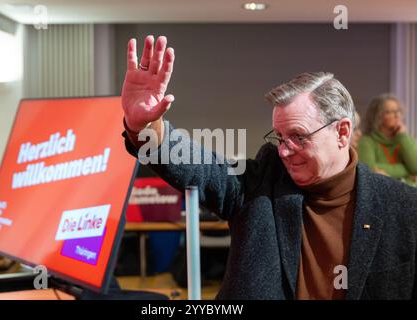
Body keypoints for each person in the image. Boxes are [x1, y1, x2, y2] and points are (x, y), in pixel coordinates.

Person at [121, 35, 417, 299]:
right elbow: (205, 168)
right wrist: (146, 127)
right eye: (280, 137)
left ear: (342, 132)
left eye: (299, 137)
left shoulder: (402, 207)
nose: (285, 150)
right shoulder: (262, 181)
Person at [358, 94, 417, 186]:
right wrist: (406, 170)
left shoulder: (405, 139)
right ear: (377, 116)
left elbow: (415, 168)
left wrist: (402, 137)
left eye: (398, 111)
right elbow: (369, 171)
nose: (397, 115)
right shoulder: (367, 141)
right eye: (389, 112)